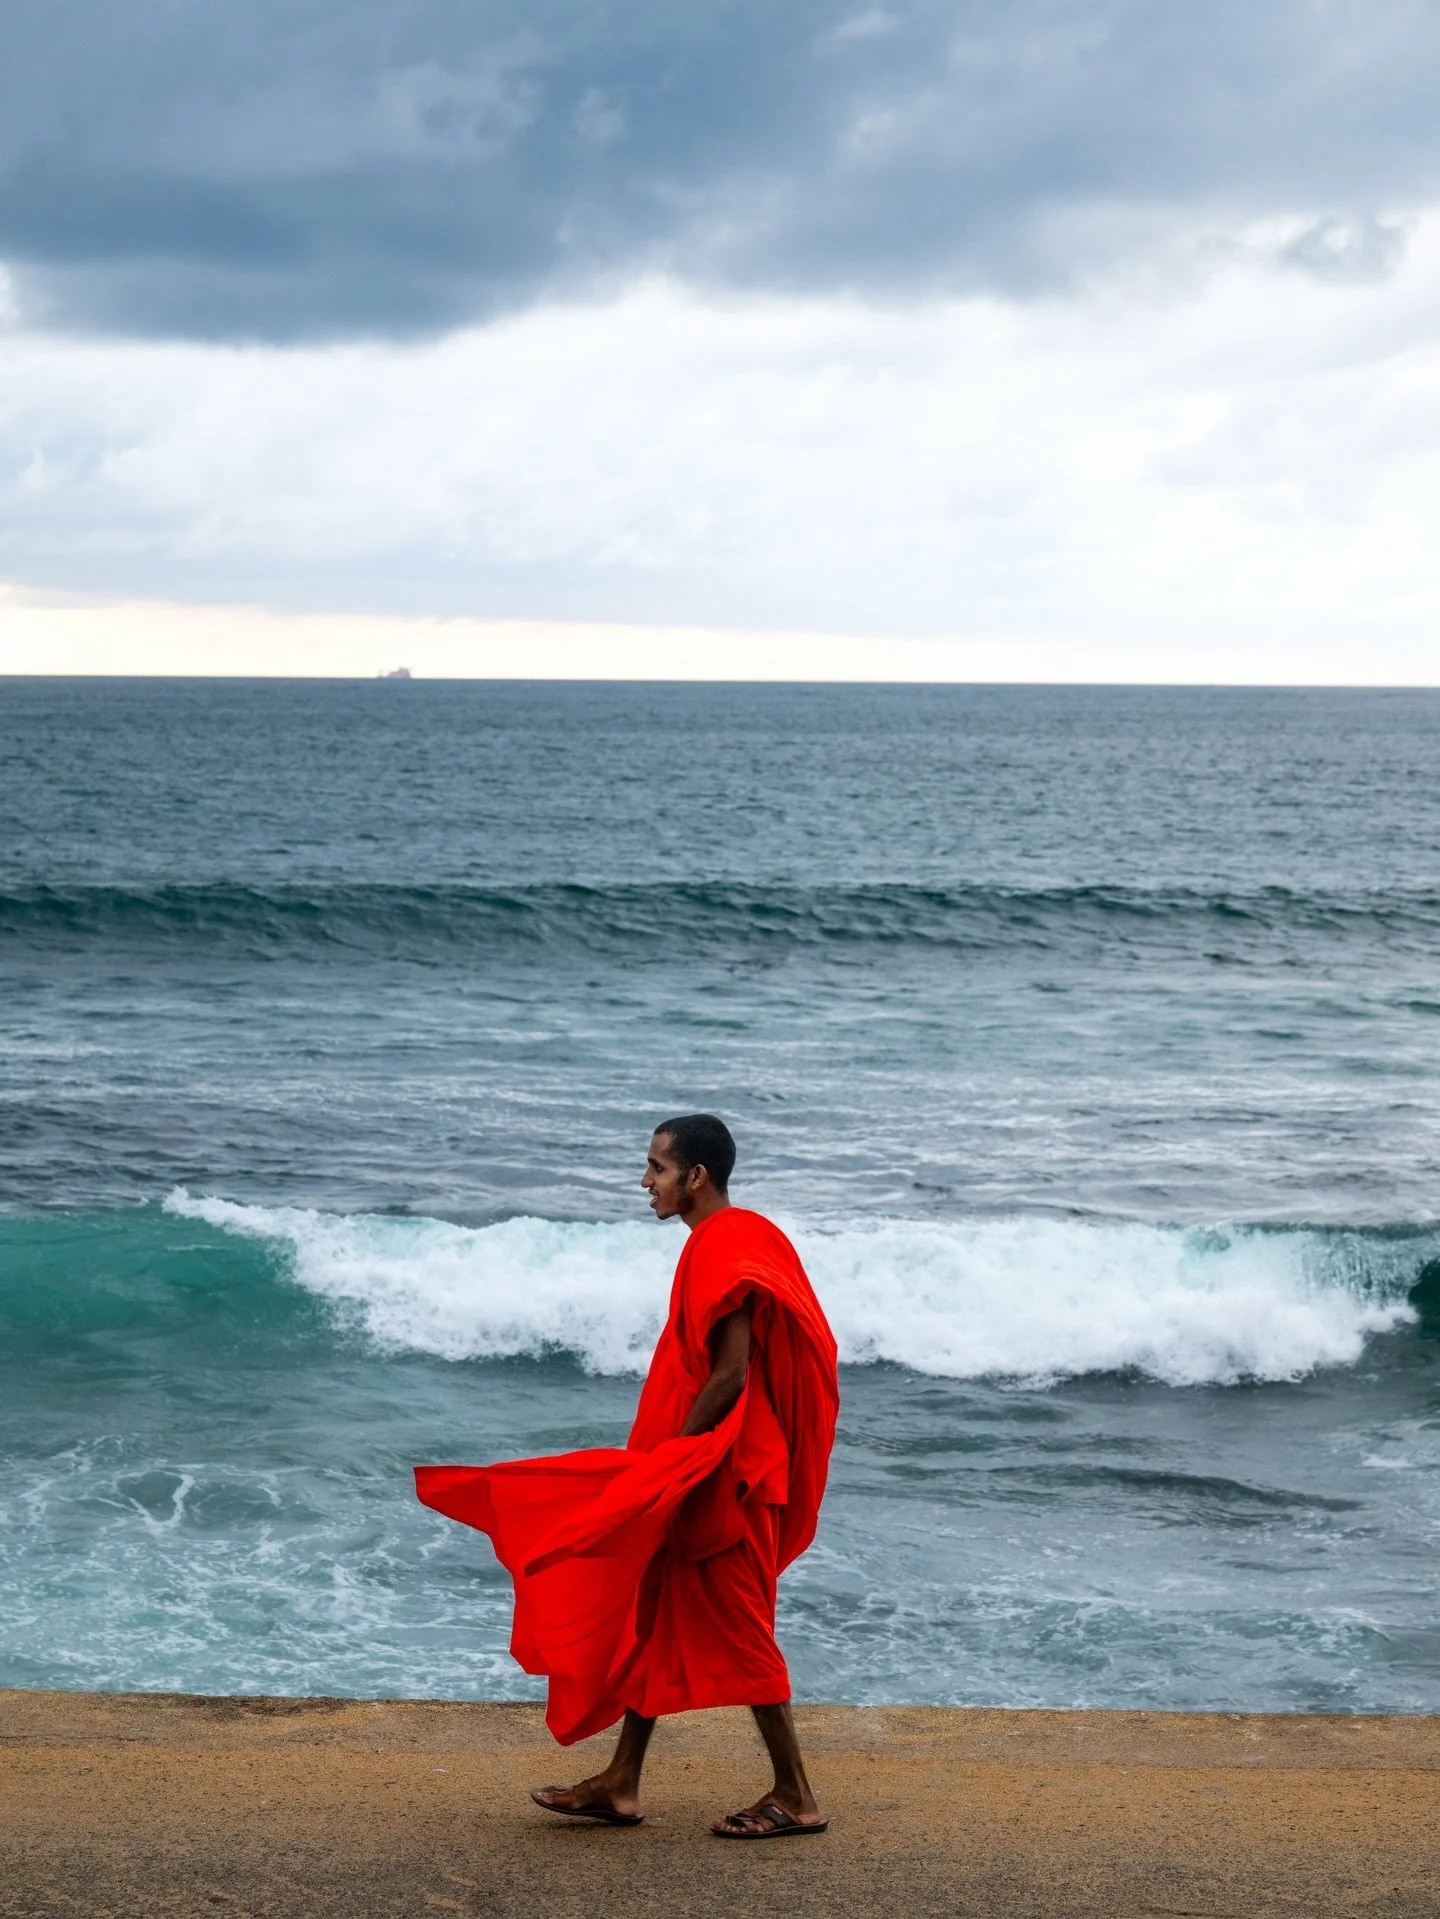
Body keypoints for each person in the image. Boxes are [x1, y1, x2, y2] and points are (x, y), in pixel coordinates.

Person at [415, 1114, 840, 1839]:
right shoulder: (732, 1236)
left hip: (720, 1477)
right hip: (706, 1467)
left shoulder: (724, 1243)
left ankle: (796, 1795)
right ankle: (620, 1782)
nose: (645, 1181)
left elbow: (732, 1373)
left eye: (656, 1167)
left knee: (745, 1632)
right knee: (653, 1611)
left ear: (695, 1177)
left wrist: (668, 1459)